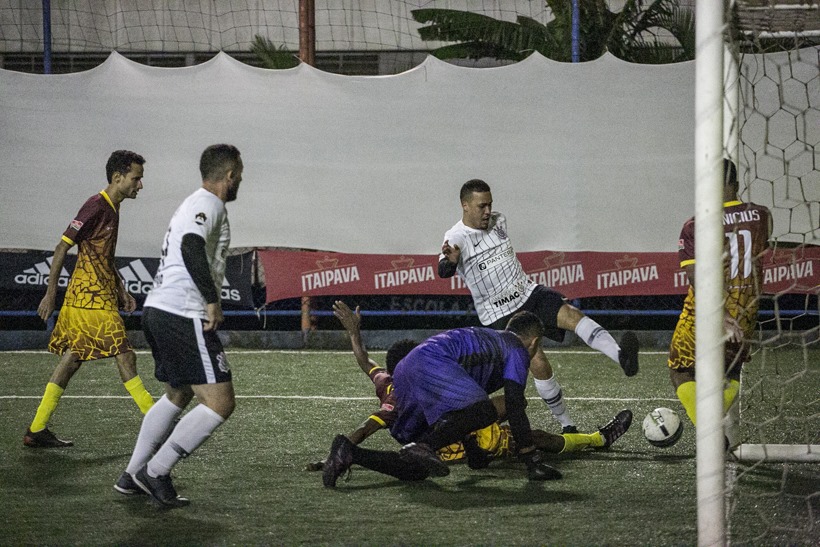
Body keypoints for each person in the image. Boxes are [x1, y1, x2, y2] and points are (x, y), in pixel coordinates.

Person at [312, 301, 630, 477]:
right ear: (533, 342)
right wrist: (530, 461)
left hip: (430, 427)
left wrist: (354, 334)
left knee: (415, 468)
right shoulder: (514, 349)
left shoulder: (393, 386)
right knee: (513, 417)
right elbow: (514, 406)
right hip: (450, 429)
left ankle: (349, 454)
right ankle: (596, 439)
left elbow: (366, 365)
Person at [438, 179, 640, 434]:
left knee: (571, 314)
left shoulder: (499, 220)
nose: (488, 211)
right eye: (481, 206)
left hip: (528, 291)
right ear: (465, 206)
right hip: (499, 313)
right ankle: (567, 425)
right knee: (538, 360)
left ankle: (621, 356)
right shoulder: (456, 236)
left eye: (490, 204)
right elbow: (444, 268)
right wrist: (450, 262)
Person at [113, 144, 243, 507]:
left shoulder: (193, 203)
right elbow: (190, 245)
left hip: (159, 309)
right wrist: (211, 300)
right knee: (220, 403)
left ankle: (131, 475)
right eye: (239, 176)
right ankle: (155, 471)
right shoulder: (209, 203)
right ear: (229, 175)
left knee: (179, 392)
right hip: (182, 313)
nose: (240, 182)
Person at [24, 150, 154, 448]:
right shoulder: (96, 206)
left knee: (72, 359)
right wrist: (49, 294)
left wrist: (120, 287)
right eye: (137, 178)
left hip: (99, 295)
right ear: (118, 177)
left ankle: (37, 428)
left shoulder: (113, 207)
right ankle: (157, 420)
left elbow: (102, 255)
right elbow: (61, 248)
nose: (140, 185)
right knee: (125, 354)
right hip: (88, 298)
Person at [668, 159, 771, 447]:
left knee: (681, 368)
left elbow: (696, 275)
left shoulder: (695, 224)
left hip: (709, 309)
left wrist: (719, 313)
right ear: (736, 185)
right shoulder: (762, 215)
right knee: (732, 368)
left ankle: (709, 430)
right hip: (747, 308)